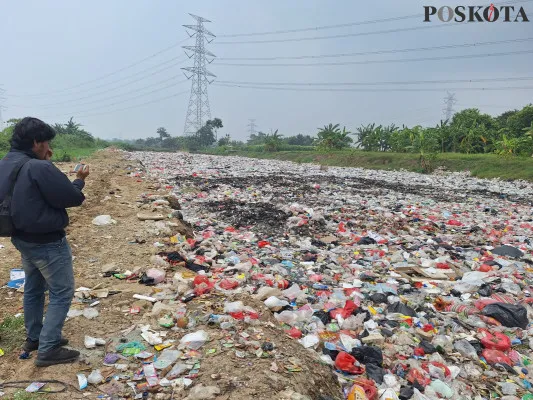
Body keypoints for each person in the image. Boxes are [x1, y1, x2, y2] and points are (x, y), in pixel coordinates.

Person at [0, 117, 90, 367]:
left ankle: (35, 338)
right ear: (37, 142)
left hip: (20, 237)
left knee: (34, 287)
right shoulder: (39, 167)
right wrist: (80, 179)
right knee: (62, 292)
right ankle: (48, 348)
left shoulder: (5, 163)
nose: (48, 147)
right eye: (47, 141)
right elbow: (71, 197)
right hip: (46, 241)